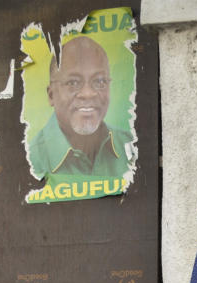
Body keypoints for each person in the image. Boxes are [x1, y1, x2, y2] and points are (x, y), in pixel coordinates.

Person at [28, 36, 133, 179]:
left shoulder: (131, 147)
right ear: (51, 95)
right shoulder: (30, 160)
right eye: (73, 83)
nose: (88, 93)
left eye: (100, 81)